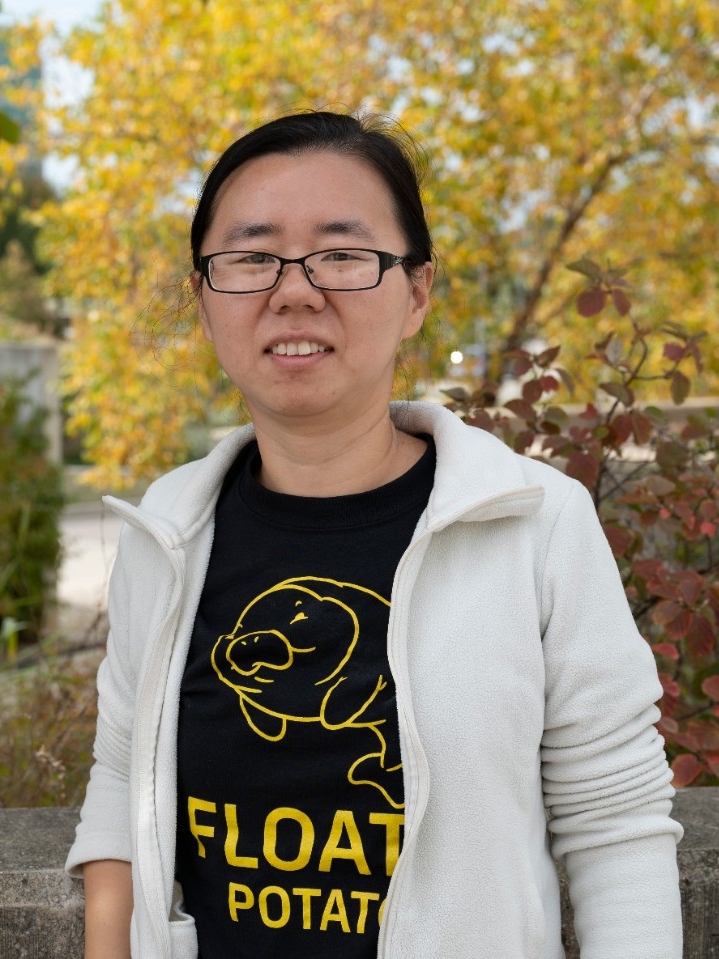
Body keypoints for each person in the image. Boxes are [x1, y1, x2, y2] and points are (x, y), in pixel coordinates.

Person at [66, 110, 683, 959]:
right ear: (204, 298)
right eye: (250, 256)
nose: (294, 290)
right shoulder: (166, 531)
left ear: (416, 291)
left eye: (342, 254)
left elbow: (614, 819)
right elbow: (121, 778)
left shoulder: (535, 524)